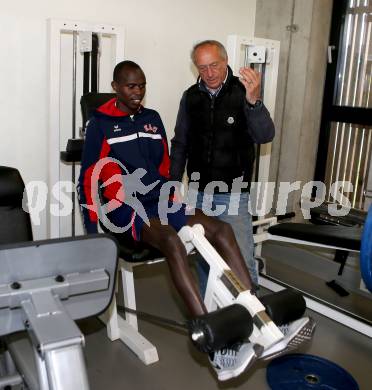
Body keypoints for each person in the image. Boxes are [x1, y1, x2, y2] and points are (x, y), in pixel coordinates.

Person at [78, 60, 254, 321]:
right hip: (124, 206)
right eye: (130, 86)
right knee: (172, 241)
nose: (137, 92)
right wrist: (92, 233)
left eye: (142, 86)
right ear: (115, 87)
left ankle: (253, 311)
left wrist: (173, 197)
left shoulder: (152, 119)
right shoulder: (100, 124)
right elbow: (87, 181)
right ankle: (205, 327)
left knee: (222, 230)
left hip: (159, 201)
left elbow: (165, 166)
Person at [170, 40, 275, 295]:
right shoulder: (191, 97)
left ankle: (255, 321)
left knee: (241, 259)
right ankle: (213, 313)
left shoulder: (243, 92)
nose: (209, 73)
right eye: (202, 67)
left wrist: (254, 102)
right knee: (206, 258)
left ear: (226, 61)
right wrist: (172, 183)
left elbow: (265, 135)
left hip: (233, 193)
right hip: (197, 192)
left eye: (214, 65)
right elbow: (180, 142)